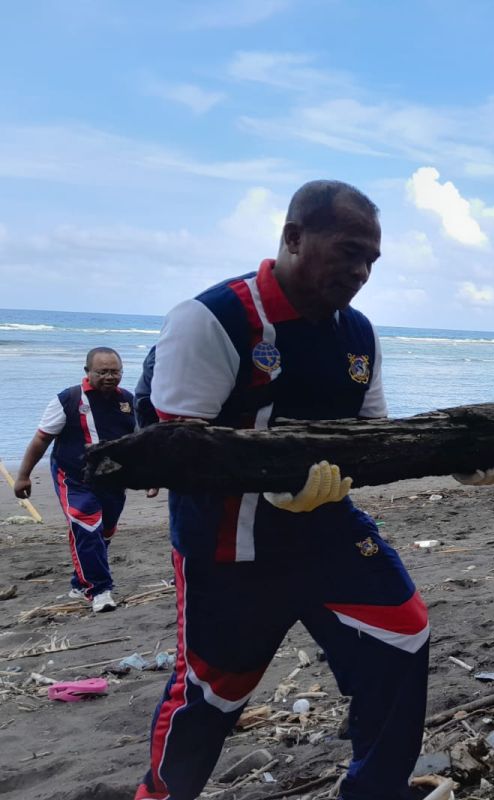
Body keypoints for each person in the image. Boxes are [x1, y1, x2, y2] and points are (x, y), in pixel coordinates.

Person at [134, 181, 430, 800]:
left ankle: (376, 791)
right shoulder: (211, 319)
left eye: (372, 260)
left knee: (402, 635)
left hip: (327, 529)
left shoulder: (359, 335)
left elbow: (373, 439)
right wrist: (270, 492)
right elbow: (177, 455)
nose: (361, 271)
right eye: (349, 251)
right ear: (293, 237)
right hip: (230, 549)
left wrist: (462, 455)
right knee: (212, 694)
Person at [12, 347, 140, 613]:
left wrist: (152, 477)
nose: (109, 377)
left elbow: (141, 442)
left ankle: (79, 582)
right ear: (87, 372)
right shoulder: (68, 400)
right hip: (73, 477)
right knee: (87, 525)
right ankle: (100, 590)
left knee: (103, 532)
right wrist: (23, 476)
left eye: (114, 371)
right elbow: (41, 439)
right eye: (102, 371)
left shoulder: (128, 401)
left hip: (113, 479)